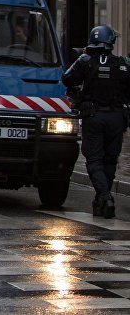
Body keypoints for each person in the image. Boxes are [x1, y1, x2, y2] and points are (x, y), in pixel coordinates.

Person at [62, 25, 130, 218]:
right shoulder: (123, 63)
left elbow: (67, 78)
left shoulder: (85, 61)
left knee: (94, 160)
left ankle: (105, 196)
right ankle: (102, 200)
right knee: (110, 159)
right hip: (117, 118)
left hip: (94, 116)